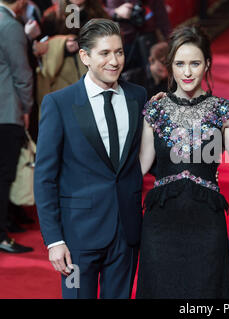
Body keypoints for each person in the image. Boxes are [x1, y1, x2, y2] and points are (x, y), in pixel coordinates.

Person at [34, 18, 147, 298]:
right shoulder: (59, 103)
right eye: (105, 53)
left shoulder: (138, 96)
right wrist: (54, 240)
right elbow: (45, 177)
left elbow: (137, 161)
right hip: (77, 236)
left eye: (119, 52)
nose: (114, 61)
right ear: (85, 56)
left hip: (126, 231)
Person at [136, 25, 229, 298]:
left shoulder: (224, 111)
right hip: (161, 225)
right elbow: (140, 167)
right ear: (170, 66)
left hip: (207, 224)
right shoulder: (155, 110)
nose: (187, 72)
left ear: (208, 64)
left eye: (195, 63)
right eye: (180, 64)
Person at [0, 0, 34, 254]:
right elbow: (22, 74)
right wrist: (27, 108)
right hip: (7, 111)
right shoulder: (9, 26)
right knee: (4, 177)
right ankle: (1, 236)